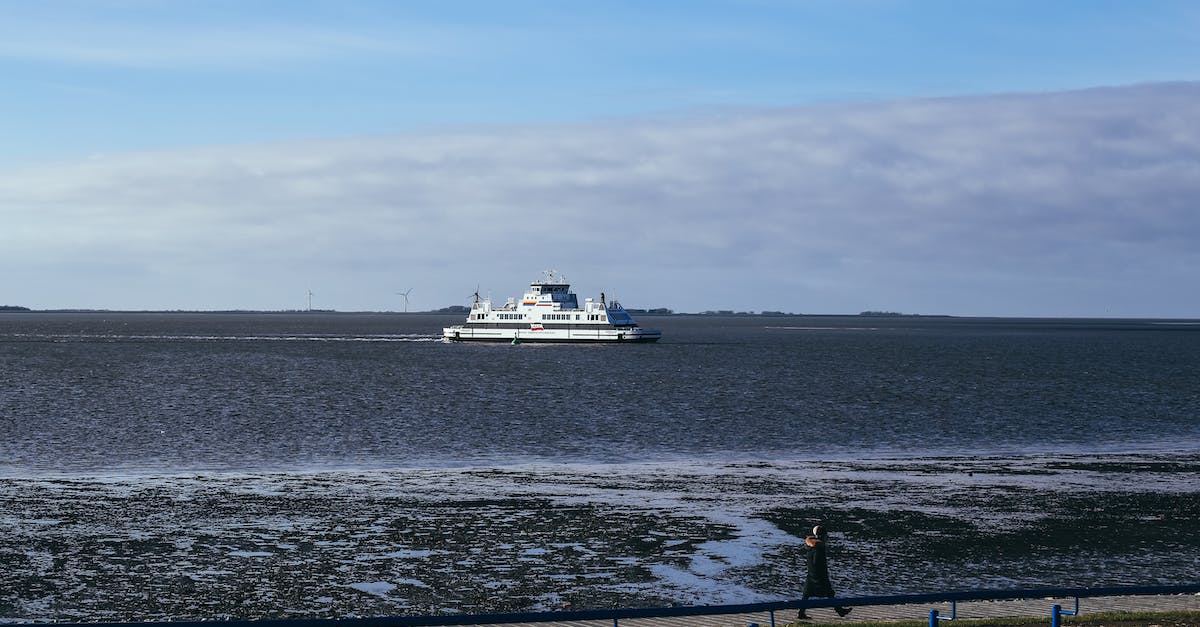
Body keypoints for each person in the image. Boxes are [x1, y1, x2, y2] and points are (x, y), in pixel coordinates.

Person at [797, 525, 851, 619]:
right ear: (822, 536)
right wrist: (820, 576)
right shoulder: (819, 547)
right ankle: (839, 610)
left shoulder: (811, 546)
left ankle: (801, 613)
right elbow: (817, 563)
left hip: (810, 575)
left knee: (806, 594)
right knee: (829, 593)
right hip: (818, 576)